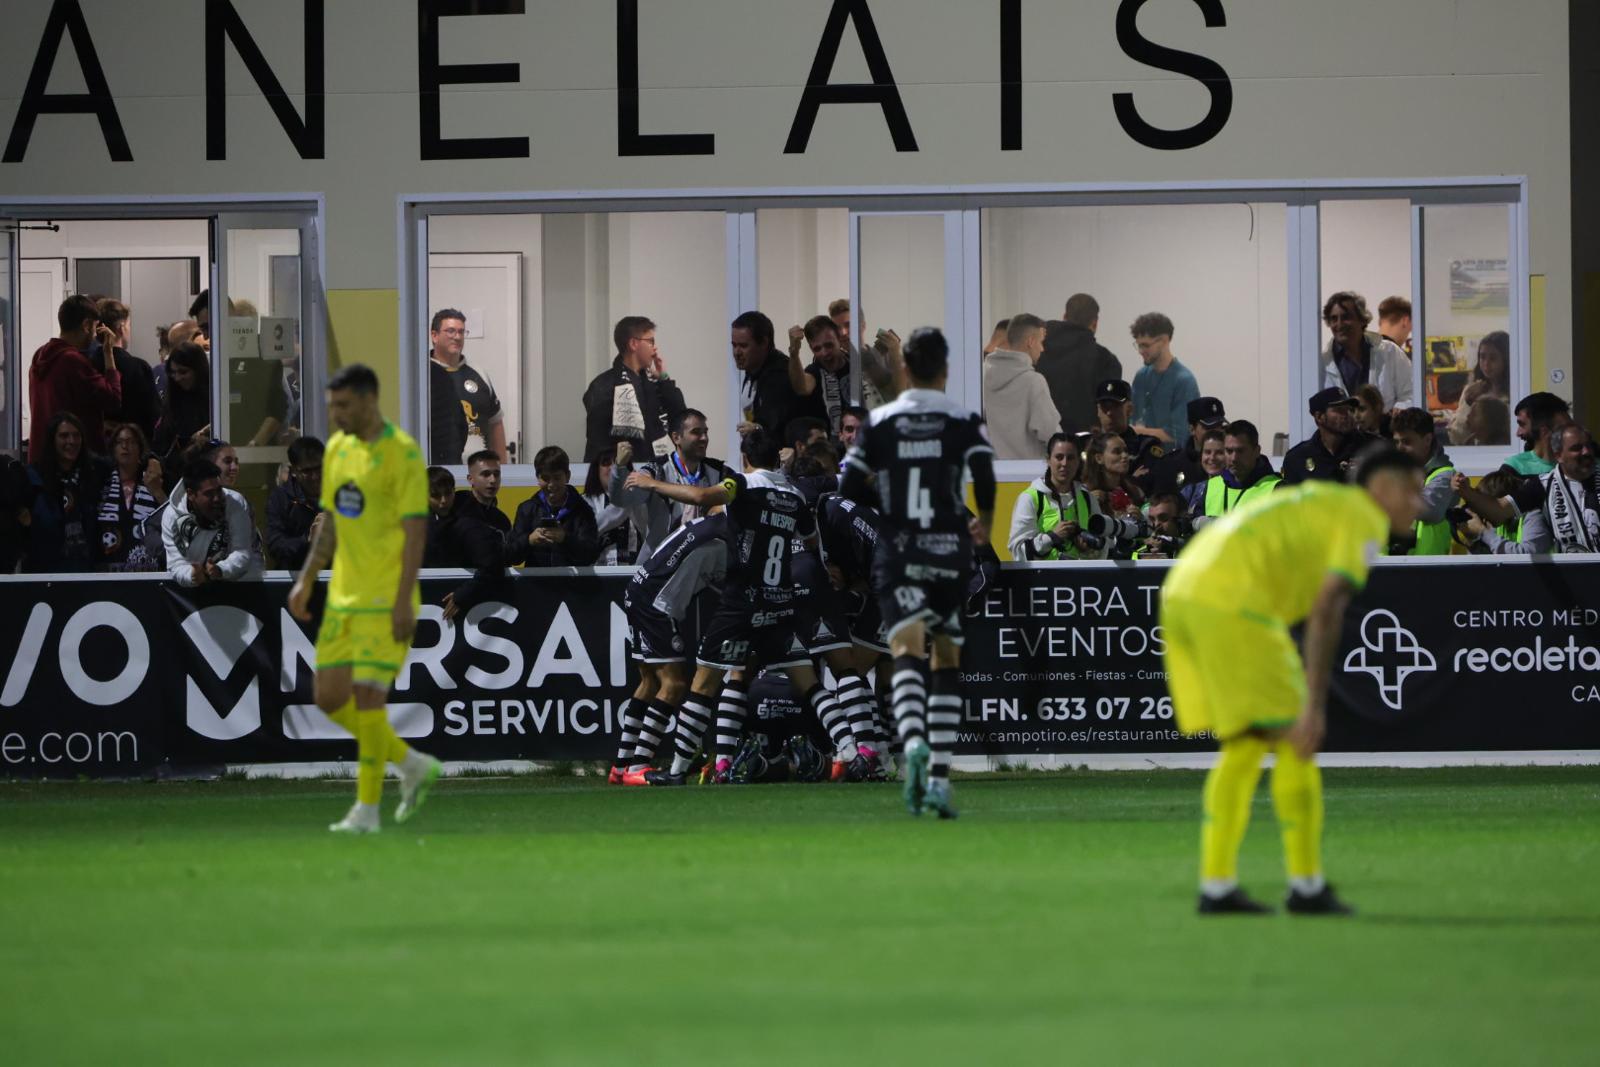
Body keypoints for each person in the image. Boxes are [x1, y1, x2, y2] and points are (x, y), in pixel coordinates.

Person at [1163, 444, 1423, 915]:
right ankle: (1305, 886)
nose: (1421, 505)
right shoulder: (1362, 516)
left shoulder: (1322, 503)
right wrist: (1315, 707)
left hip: (1187, 591)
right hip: (1233, 603)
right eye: (1414, 492)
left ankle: (1218, 886)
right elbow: (1327, 609)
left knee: (1246, 743)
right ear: (1383, 489)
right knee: (1294, 737)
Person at [840, 326, 996, 819]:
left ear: (904, 366)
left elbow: (847, 482)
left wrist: (889, 504)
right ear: (946, 368)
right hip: (948, 547)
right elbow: (986, 478)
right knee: (945, 657)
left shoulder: (881, 420)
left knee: (904, 651)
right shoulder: (962, 418)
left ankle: (911, 748)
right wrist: (983, 522)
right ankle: (940, 779)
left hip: (899, 548)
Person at [623, 428, 835, 788]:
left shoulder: (741, 485)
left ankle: (679, 770)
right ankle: (851, 752)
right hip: (778, 603)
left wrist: (651, 484)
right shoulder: (793, 494)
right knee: (806, 684)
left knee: (702, 685)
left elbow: (703, 494)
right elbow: (810, 540)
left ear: (745, 460)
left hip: (740, 604)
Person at [287, 364, 442, 834]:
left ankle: (367, 810)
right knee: (328, 698)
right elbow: (332, 520)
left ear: (370, 401)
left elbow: (416, 533)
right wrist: (307, 579)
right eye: (332, 406)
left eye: (343, 406)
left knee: (368, 700)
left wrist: (402, 601)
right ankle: (411, 763)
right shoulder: (338, 449)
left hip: (386, 598)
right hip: (343, 598)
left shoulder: (403, 454)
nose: (335, 415)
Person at [613, 513, 732, 785]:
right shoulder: (732, 537)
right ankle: (638, 767)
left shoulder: (709, 522)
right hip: (657, 603)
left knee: (649, 682)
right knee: (675, 684)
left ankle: (620, 767)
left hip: (638, 590)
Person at [608, 408, 729, 561]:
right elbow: (623, 500)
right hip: (658, 566)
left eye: (706, 432)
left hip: (701, 566)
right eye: (696, 432)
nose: (704, 438)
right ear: (676, 437)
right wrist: (619, 467)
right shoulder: (657, 469)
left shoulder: (719, 471)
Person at [1470, 425, 1600, 555]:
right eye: (1577, 448)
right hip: (1576, 571)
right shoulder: (1542, 485)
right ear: (1558, 455)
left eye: (1589, 445)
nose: (1586, 452)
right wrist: (1464, 491)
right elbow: (1499, 510)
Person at [28, 295, 122, 463]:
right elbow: (113, 399)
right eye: (94, 327)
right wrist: (109, 353)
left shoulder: (40, 356)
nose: (95, 335)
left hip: (42, 457)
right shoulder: (73, 360)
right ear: (86, 325)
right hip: (71, 461)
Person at [583, 315, 685, 464]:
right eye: (651, 341)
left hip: (657, 470)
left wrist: (664, 377)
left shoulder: (655, 383)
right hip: (621, 474)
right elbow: (598, 442)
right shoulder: (604, 385)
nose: (655, 347)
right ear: (633, 344)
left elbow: (681, 419)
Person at [423, 466, 511, 622]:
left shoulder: (468, 525)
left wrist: (463, 595)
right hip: (425, 607)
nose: (443, 501)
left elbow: (493, 565)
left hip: (464, 608)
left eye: (448, 494)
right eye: (436, 495)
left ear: (454, 491)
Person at [161, 457, 264, 586]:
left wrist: (221, 569)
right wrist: (191, 575)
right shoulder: (172, 517)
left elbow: (242, 551)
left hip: (237, 583)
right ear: (191, 494)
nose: (216, 499)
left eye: (219, 490)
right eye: (209, 494)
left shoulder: (235, 503)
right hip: (192, 592)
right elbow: (176, 564)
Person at [23, 412, 103, 573]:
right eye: (64, 436)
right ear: (53, 440)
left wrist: (151, 460)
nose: (71, 441)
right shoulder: (34, 477)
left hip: (87, 571)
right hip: (44, 571)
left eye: (76, 436)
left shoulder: (96, 472)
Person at [427, 309, 508, 465]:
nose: (457, 337)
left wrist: (502, 468)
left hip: (479, 472)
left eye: (461, 332)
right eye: (451, 331)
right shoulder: (423, 374)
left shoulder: (478, 373)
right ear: (434, 335)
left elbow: (495, 422)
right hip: (438, 470)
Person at [1036, 293, 1122, 435]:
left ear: (1064, 317)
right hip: (1085, 446)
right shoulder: (1106, 361)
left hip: (1039, 442)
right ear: (1095, 323)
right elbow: (1109, 413)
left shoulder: (1035, 351)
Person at [1009, 432, 1104, 560]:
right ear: (1048, 460)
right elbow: (1017, 551)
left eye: (1070, 458)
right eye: (1059, 457)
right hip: (1043, 578)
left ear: (1078, 461)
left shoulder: (1088, 498)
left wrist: (1088, 550)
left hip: (1081, 578)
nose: (1064, 463)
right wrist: (1052, 537)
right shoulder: (1030, 498)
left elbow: (1102, 549)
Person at [982, 313, 1061, 460]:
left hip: (995, 472)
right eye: (1041, 342)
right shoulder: (1033, 382)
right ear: (1030, 342)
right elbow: (1051, 434)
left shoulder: (982, 376)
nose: (1042, 349)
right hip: (1027, 473)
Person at [506, 446, 600, 568]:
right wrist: (529, 540)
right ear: (538, 478)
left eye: (557, 477)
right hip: (535, 585)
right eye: (545, 478)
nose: (551, 484)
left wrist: (565, 539)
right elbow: (512, 557)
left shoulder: (582, 510)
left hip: (570, 585)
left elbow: (590, 555)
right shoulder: (527, 509)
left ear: (567, 476)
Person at [1319, 291, 1414, 410]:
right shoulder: (1323, 363)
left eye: (1346, 317)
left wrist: (1397, 411)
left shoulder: (1390, 352)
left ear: (1362, 319)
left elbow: (1411, 393)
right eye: (1333, 319)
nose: (1339, 324)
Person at [732, 310, 817, 442]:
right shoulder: (752, 368)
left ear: (764, 343)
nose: (736, 352)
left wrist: (756, 429)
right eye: (734, 345)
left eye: (743, 346)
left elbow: (775, 430)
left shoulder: (780, 376)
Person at [97, 423, 167, 571]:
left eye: (131, 442)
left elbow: (172, 520)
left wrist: (157, 491)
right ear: (113, 449)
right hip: (107, 571)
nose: (125, 446)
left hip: (147, 571)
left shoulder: (154, 479)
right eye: (120, 442)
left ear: (140, 448)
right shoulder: (101, 482)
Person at [92, 299, 160, 445]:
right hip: (131, 446)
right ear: (121, 328)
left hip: (94, 446)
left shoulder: (85, 365)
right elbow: (153, 416)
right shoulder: (138, 368)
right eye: (128, 325)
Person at [1390, 408, 1457, 555]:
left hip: (1431, 568)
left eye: (1407, 442)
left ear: (1427, 440)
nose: (1400, 448)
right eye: (1397, 442)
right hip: (1395, 565)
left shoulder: (1445, 475)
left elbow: (1428, 510)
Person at [1279, 388, 1381, 486]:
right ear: (1319, 417)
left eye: (1350, 409)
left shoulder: (1373, 448)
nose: (1347, 415)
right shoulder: (1297, 458)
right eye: (1340, 410)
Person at [1128, 312, 1201, 446]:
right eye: (1138, 345)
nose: (1141, 351)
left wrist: (1137, 431)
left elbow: (1179, 435)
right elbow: (1132, 418)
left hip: (1172, 461)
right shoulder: (1141, 376)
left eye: (1146, 345)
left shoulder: (1184, 381)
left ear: (1164, 341)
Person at [785, 316, 856, 437]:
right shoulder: (814, 371)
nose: (824, 353)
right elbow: (802, 387)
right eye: (817, 349)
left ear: (839, 339)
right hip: (830, 451)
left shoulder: (856, 365)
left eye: (829, 345)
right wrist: (794, 352)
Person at [1200, 420, 1281, 519]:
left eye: (1240, 451)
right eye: (1229, 451)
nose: (1234, 458)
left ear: (1257, 451)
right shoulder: (1210, 487)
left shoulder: (1277, 489)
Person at [265, 436, 325, 570]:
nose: (315, 477)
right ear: (293, 471)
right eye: (307, 471)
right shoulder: (280, 499)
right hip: (296, 577)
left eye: (319, 468)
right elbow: (276, 547)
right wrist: (308, 539)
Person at [1147, 396, 1227, 495]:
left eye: (1220, 426)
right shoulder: (1171, 465)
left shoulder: (1232, 462)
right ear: (1192, 429)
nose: (1216, 432)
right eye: (1209, 427)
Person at [1093, 379, 1165, 487]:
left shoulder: (1146, 446)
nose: (1109, 412)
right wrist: (1131, 479)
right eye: (1104, 407)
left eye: (1115, 406)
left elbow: (1147, 483)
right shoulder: (1087, 445)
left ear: (1130, 409)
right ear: (1097, 411)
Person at [1446, 332, 1511, 446]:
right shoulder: (1472, 390)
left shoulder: (1515, 392)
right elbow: (1456, 437)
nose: (1486, 364)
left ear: (1506, 359)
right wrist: (1468, 403)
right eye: (1482, 357)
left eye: (1493, 358)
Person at [828, 298, 894, 406]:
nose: (842, 332)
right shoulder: (835, 365)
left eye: (848, 325)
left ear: (863, 325)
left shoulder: (886, 356)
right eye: (837, 328)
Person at [153, 342, 212, 460]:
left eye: (183, 372)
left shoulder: (213, 399)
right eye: (173, 372)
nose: (177, 378)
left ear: (197, 370)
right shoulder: (172, 399)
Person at [584, 447, 641, 566]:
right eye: (605, 463)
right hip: (595, 574)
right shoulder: (583, 502)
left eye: (617, 463)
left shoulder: (639, 500)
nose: (612, 468)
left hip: (636, 572)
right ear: (596, 470)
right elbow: (583, 534)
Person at [1083, 430, 1145, 528]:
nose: (1125, 456)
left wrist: (1141, 519)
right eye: (1117, 452)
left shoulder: (1135, 492)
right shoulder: (1085, 493)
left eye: (1126, 451)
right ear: (1099, 458)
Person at [1131, 492, 1193, 561]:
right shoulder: (1141, 552)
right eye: (1152, 519)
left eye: (1163, 518)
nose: (1156, 524)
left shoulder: (1197, 549)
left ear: (1181, 520)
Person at [1179, 430, 1227, 516]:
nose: (1212, 457)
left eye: (1219, 453)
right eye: (1207, 452)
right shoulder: (1191, 491)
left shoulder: (1235, 490)